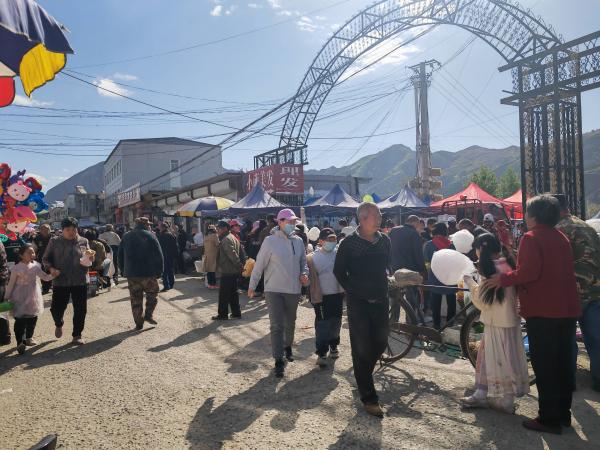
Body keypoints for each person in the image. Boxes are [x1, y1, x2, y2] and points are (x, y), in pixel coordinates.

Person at [485, 195, 581, 434]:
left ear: (534, 216)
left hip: (544, 311)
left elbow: (528, 272)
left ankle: (548, 419)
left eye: (527, 211)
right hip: (567, 309)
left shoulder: (531, 237)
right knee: (563, 363)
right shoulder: (560, 237)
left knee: (545, 365)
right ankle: (563, 414)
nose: (525, 216)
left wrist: (502, 278)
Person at [461, 233, 530, 413]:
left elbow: (482, 301)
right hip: (511, 321)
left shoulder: (489, 268)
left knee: (493, 359)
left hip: (495, 322)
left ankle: (487, 396)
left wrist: (470, 283)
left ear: (481, 249)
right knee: (508, 360)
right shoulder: (508, 263)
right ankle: (502, 398)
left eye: (476, 249)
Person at [334, 202, 391, 418]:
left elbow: (387, 266)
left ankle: (362, 374)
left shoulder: (385, 240)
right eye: (377, 216)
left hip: (381, 299)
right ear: (363, 218)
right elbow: (339, 271)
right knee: (361, 348)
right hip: (358, 302)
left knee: (381, 342)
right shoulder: (349, 244)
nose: (380, 219)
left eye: (380, 215)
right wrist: (353, 290)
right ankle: (369, 398)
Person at [248, 208, 309, 378]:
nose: (292, 224)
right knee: (276, 325)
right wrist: (252, 285)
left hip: (293, 290)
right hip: (273, 290)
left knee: (290, 323)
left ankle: (287, 346)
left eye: (294, 221)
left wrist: (304, 274)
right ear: (280, 222)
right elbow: (259, 264)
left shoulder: (298, 241)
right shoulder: (270, 241)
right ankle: (278, 359)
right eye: (289, 221)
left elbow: (303, 262)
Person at [554, 194, 600, 392]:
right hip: (595, 290)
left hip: (571, 293)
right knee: (596, 338)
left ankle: (568, 380)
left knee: (567, 339)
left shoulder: (559, 229)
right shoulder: (587, 226)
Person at [43, 217, 91, 345]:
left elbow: (88, 257)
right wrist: (51, 269)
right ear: (62, 230)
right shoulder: (54, 241)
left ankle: (77, 335)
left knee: (80, 309)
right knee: (56, 309)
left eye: (74, 229)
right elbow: (45, 259)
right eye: (68, 229)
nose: (71, 232)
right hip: (60, 281)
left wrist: (90, 258)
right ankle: (59, 323)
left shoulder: (83, 241)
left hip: (79, 280)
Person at [5, 244, 57, 354]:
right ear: (21, 255)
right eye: (29, 252)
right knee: (20, 319)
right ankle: (20, 342)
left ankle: (29, 337)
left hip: (33, 295)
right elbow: (11, 284)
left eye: (33, 252)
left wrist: (53, 275)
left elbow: (45, 277)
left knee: (32, 318)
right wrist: (6, 297)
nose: (32, 254)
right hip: (19, 296)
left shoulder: (36, 266)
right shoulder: (16, 268)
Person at [308, 228, 344, 368]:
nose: (332, 242)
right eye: (329, 239)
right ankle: (322, 353)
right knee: (323, 324)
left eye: (334, 239)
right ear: (321, 241)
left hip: (337, 294)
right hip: (321, 297)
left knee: (336, 322)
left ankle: (334, 346)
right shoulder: (312, 257)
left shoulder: (339, 254)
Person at [118, 217, 164, 330]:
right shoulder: (151, 235)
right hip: (148, 272)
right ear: (146, 225)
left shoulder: (126, 236)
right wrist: (160, 271)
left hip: (132, 273)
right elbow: (159, 255)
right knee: (152, 294)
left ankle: (138, 322)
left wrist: (123, 270)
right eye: (149, 224)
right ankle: (148, 315)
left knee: (135, 298)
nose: (150, 226)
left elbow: (119, 255)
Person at [389, 215, 426, 323]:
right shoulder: (414, 234)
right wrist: (423, 270)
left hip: (395, 268)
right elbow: (418, 255)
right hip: (410, 271)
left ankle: (393, 321)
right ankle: (410, 322)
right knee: (411, 299)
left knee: (395, 296)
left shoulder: (393, 231)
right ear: (416, 222)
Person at [423, 223, 457, 330]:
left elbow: (426, 262)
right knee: (451, 300)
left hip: (435, 276)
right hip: (449, 276)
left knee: (435, 301)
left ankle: (436, 324)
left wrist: (430, 272)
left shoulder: (429, 245)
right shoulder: (451, 245)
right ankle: (450, 324)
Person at [213, 220, 242, 321]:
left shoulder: (226, 239)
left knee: (224, 294)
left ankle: (222, 314)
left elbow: (232, 255)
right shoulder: (232, 237)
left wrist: (239, 265)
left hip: (228, 270)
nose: (217, 230)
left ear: (225, 228)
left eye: (219, 229)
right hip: (232, 270)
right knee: (233, 293)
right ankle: (236, 313)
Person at [157, 223, 179, 292]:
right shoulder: (171, 235)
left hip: (164, 255)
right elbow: (175, 245)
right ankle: (171, 284)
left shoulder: (161, 235)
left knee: (164, 271)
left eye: (160, 227)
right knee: (170, 270)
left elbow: (159, 246)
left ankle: (166, 285)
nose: (159, 228)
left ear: (163, 227)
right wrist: (176, 255)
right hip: (170, 255)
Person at [32, 224, 52, 294]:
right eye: (43, 229)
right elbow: (34, 249)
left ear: (50, 230)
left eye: (47, 229)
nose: (45, 231)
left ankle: (50, 285)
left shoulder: (54, 238)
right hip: (41, 259)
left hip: (53, 259)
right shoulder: (36, 238)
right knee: (43, 274)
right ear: (40, 230)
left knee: (52, 273)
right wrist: (33, 257)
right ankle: (45, 288)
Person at [0, 240, 11, 346]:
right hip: (3, 279)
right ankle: (5, 337)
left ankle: (5, 337)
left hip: (1, 280)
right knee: (2, 310)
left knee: (2, 309)